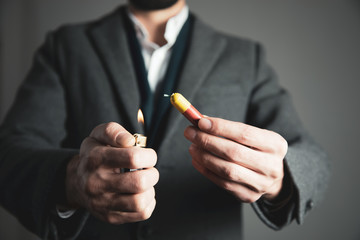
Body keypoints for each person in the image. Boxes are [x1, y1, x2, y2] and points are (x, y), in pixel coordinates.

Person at [0, 0, 330, 239]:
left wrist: (277, 176)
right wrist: (72, 180)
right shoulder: (67, 46)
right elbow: (8, 156)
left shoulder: (245, 56)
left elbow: (312, 158)